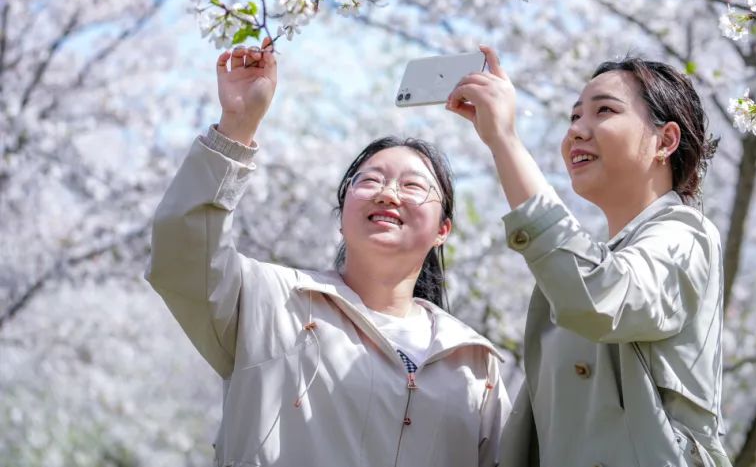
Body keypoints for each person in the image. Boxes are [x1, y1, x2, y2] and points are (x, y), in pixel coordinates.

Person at [147, 39, 508, 467]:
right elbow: (183, 253)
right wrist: (236, 129)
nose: (388, 193)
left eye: (412, 186)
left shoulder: (474, 361)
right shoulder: (271, 300)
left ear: (443, 230)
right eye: (369, 181)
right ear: (342, 216)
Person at [448, 47, 732, 467]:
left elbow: (598, 297)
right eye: (575, 116)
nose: (578, 130)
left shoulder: (687, 235)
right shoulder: (595, 259)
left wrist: (505, 141)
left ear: (665, 141)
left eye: (604, 111)